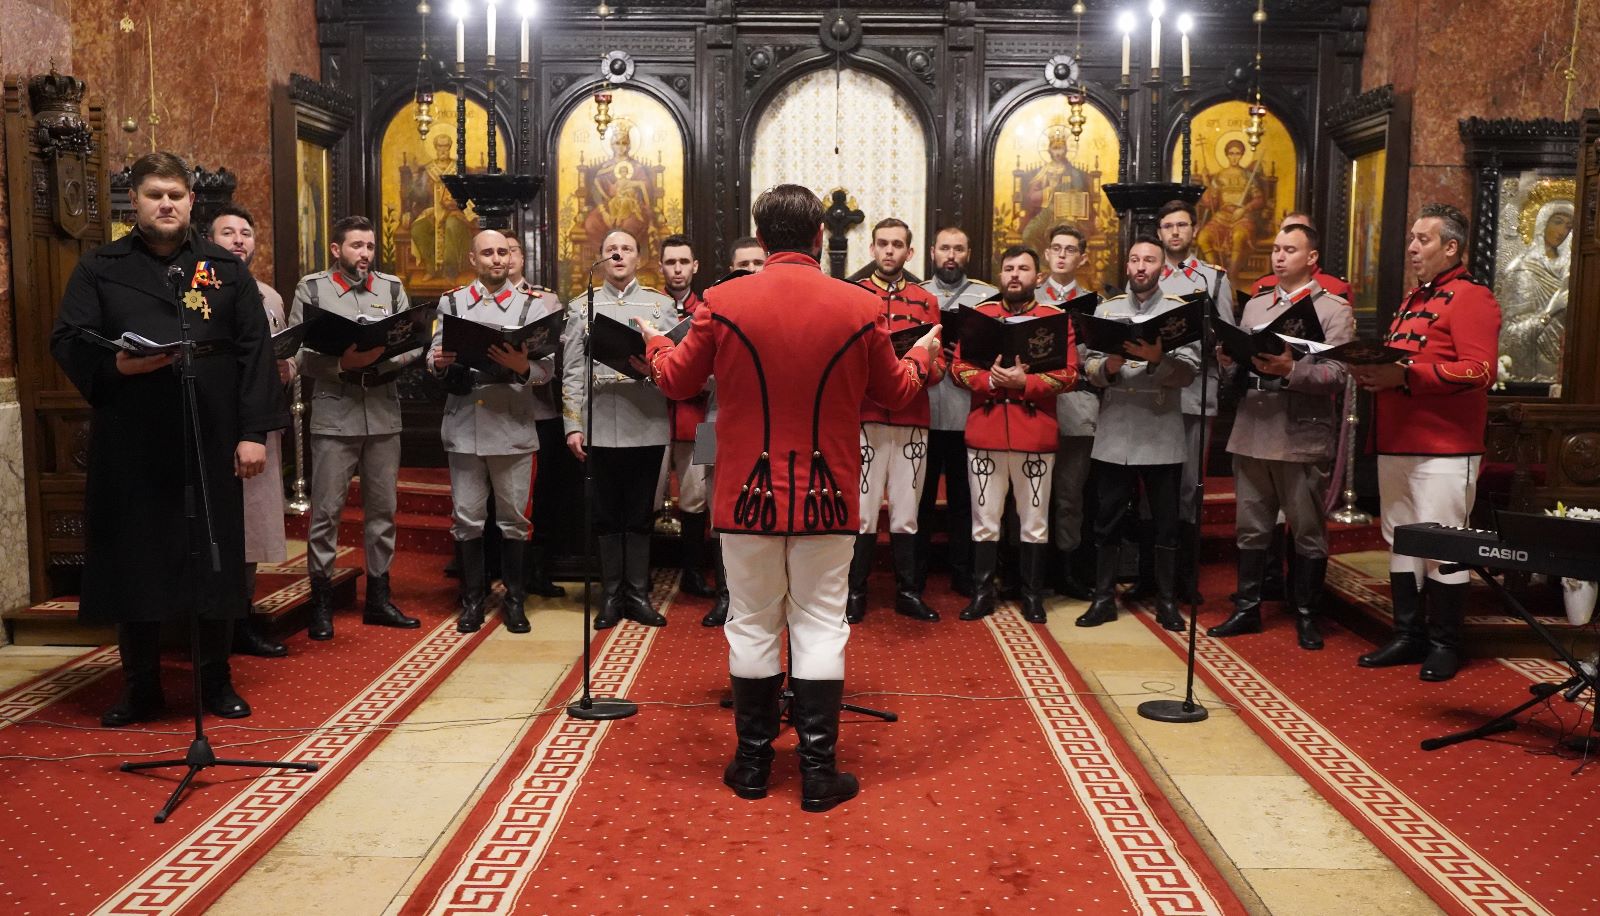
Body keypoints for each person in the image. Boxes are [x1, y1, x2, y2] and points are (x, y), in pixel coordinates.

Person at [639, 183, 938, 812]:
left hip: (745, 494)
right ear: (819, 237)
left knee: (751, 621)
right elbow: (896, 392)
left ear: (761, 235)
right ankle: (817, 774)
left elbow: (676, 381)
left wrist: (654, 342)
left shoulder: (722, 301)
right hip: (829, 493)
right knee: (822, 622)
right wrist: (924, 357)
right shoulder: (860, 305)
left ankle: (752, 767)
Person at [50, 151, 280, 726]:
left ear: (192, 202)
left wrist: (253, 433)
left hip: (211, 433)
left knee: (215, 558)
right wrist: (116, 367)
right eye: (155, 195)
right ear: (135, 201)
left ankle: (216, 681)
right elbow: (69, 338)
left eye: (176, 195)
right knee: (135, 558)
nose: (167, 204)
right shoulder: (100, 265)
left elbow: (255, 351)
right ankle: (141, 686)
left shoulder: (222, 267)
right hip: (133, 436)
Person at [1352, 204, 1501, 682]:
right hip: (1397, 438)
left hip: (1445, 444)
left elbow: (1480, 370)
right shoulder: (1414, 297)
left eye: (1424, 239)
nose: (1412, 247)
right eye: (1412, 238)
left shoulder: (1472, 297)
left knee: (1444, 545)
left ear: (1451, 247)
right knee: (1401, 539)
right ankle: (1408, 635)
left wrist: (1405, 376)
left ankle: (1445, 644)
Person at [1209, 223, 1354, 649]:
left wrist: (1291, 369)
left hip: (1300, 433)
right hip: (1253, 427)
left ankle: (1307, 613)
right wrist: (1229, 361)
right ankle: (1247, 608)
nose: (1279, 256)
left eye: (1290, 249)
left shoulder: (1333, 310)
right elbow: (1239, 371)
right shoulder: (1256, 305)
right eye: (1275, 248)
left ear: (1312, 258)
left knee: (1307, 529)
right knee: (1251, 527)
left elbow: (1338, 374)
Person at [296, 216, 423, 640]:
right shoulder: (313, 290)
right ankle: (321, 603)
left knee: (383, 511)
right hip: (335, 415)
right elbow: (298, 355)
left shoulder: (391, 288)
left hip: (383, 413)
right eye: (356, 246)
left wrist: (384, 360)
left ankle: (379, 599)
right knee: (326, 513)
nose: (365, 253)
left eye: (369, 246)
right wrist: (343, 364)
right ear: (337, 250)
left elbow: (413, 343)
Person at [429, 230, 557, 634]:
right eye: (488, 253)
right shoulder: (452, 303)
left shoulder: (532, 306)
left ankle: (514, 601)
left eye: (503, 252)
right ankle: (472, 601)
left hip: (512, 425)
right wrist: (438, 362)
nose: (497, 259)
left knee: (514, 520)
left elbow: (547, 369)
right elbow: (433, 355)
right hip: (465, 423)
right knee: (467, 518)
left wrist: (522, 367)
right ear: (473, 259)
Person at [1078, 236, 1201, 632]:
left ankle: (1166, 601)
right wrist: (1109, 366)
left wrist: (1158, 360)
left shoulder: (1178, 311)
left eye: (1149, 260)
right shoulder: (1107, 309)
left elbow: (1189, 372)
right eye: (1134, 260)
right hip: (1115, 428)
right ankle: (1103, 599)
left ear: (1162, 267)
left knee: (1165, 520)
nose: (1141, 266)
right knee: (1107, 518)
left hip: (1160, 427)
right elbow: (1089, 367)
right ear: (1127, 265)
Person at [950, 245, 1076, 624]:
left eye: (1023, 268)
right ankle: (982, 594)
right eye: (1008, 268)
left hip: (1034, 434)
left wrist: (1026, 383)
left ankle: (1032, 596)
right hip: (986, 433)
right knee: (984, 519)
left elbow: (1069, 374)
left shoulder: (1055, 319)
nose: (1015, 275)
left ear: (1038, 276)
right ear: (1000, 275)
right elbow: (957, 367)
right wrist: (990, 380)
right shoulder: (980, 317)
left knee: (1034, 521)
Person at [561, 228, 673, 629]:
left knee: (641, 514)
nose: (619, 255)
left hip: (646, 419)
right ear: (601, 258)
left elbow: (675, 365)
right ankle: (611, 596)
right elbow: (572, 371)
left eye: (626, 249)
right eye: (611, 249)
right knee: (606, 515)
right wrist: (572, 425)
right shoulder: (582, 307)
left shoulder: (661, 306)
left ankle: (638, 594)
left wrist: (654, 366)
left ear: (639, 258)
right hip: (601, 423)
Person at [848, 218, 945, 624]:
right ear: (872, 249)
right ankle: (854, 593)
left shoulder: (926, 300)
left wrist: (920, 363)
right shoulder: (853, 294)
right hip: (865, 417)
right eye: (883, 243)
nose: (889, 250)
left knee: (906, 511)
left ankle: (908, 592)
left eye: (897, 244)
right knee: (863, 510)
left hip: (911, 417)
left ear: (909, 251)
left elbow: (939, 366)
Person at [209, 204, 292, 658]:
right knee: (217, 527)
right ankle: (211, 623)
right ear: (209, 240)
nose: (239, 240)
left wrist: (286, 368)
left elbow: (288, 353)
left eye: (246, 232)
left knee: (253, 526)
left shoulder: (269, 296)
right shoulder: (199, 291)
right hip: (218, 423)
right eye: (228, 232)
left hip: (260, 425)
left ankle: (242, 617)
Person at [1156, 199, 1236, 604]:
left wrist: (1218, 348)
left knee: (1189, 488)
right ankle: (1152, 576)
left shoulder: (1213, 279)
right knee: (1154, 486)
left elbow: (1229, 340)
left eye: (1182, 225)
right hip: (1154, 394)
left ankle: (1185, 578)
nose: (1175, 232)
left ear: (1194, 229)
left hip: (1194, 391)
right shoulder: (1146, 273)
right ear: (1159, 233)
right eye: (1168, 226)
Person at [919, 227, 997, 597]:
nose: (951, 255)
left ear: (968, 253)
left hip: (969, 413)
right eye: (945, 248)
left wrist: (967, 356)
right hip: (925, 412)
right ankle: (916, 574)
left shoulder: (988, 296)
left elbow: (999, 351)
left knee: (965, 501)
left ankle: (963, 573)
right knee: (920, 500)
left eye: (959, 249)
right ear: (932, 252)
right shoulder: (917, 295)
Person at [506, 236, 571, 599]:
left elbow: (558, 352)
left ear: (523, 257)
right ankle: (500, 569)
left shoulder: (545, 300)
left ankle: (538, 570)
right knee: (502, 496)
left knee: (542, 494)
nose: (506, 257)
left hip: (539, 409)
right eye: (499, 251)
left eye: (512, 250)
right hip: (496, 409)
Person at [654, 234, 718, 601]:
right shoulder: (651, 308)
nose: (677, 269)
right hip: (656, 419)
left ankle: (694, 573)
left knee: (700, 496)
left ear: (695, 266)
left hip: (704, 421)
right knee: (650, 495)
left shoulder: (708, 308)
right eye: (670, 262)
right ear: (661, 267)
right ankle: (645, 572)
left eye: (683, 262)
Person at [1036, 224, 1098, 601]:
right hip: (1033, 407)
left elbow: (1098, 358)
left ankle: (1068, 571)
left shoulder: (1095, 304)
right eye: (1056, 248)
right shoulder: (1028, 298)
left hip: (1076, 408)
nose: (1062, 255)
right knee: (1030, 495)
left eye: (1070, 250)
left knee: (1070, 495)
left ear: (1082, 258)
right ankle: (1031, 572)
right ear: (1046, 254)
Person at [1250, 213, 1352, 299]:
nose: (1290, 235)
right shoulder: (1262, 285)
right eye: (1286, 230)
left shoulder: (1335, 287)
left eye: (1298, 229)